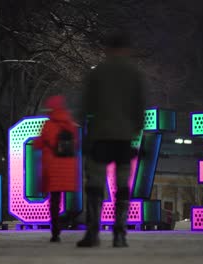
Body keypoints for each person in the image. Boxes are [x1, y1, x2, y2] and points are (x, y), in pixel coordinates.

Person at [77, 30, 145, 248]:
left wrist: (83, 130)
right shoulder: (135, 73)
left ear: (108, 49)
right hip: (124, 137)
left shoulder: (98, 73)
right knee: (123, 183)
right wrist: (135, 131)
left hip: (101, 135)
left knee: (95, 182)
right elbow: (140, 107)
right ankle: (120, 233)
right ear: (126, 50)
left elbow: (86, 105)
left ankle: (93, 232)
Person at [34, 95, 79, 242]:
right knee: (69, 199)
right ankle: (70, 220)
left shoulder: (48, 125)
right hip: (67, 168)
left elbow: (38, 144)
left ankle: (55, 232)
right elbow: (76, 144)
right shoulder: (71, 124)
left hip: (52, 167)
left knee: (54, 201)